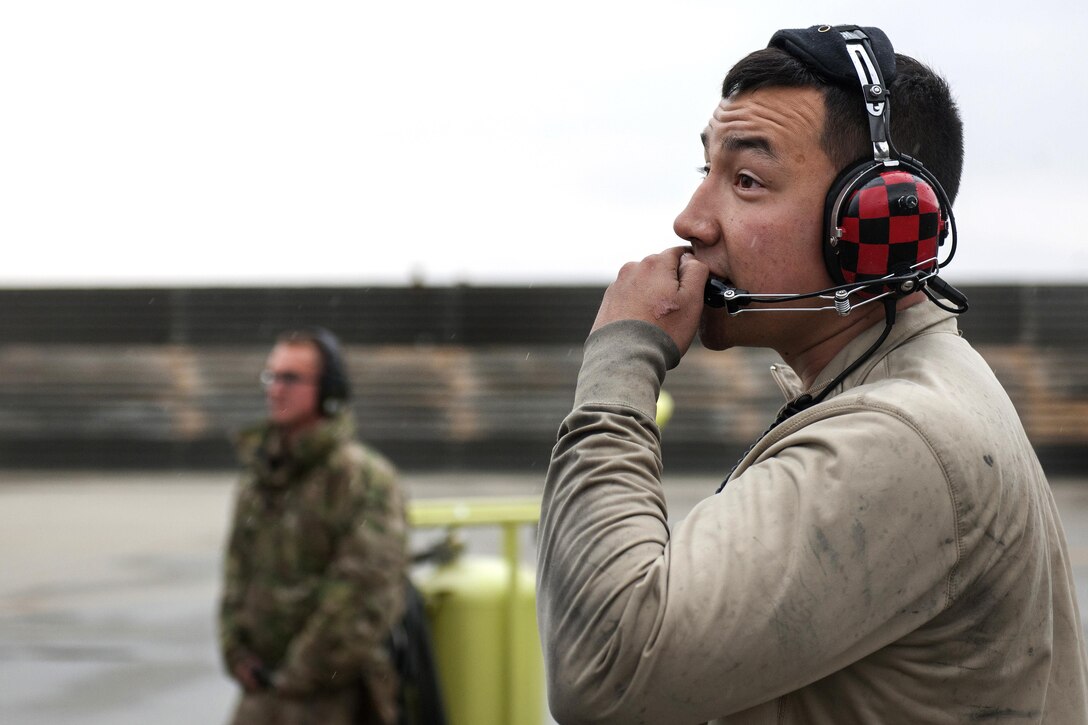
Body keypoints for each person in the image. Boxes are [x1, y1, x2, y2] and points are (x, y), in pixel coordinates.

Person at [536, 24, 1088, 724]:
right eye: (704, 172)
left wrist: (620, 365)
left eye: (746, 181)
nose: (691, 220)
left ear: (876, 222)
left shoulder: (898, 440)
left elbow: (606, 664)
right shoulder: (908, 387)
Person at [219, 327, 408, 725]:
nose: (275, 389)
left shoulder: (363, 479)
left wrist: (296, 675)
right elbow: (237, 572)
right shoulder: (259, 478)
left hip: (334, 697)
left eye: (290, 378)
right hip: (262, 691)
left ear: (329, 390)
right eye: (271, 376)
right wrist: (235, 651)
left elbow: (364, 595)